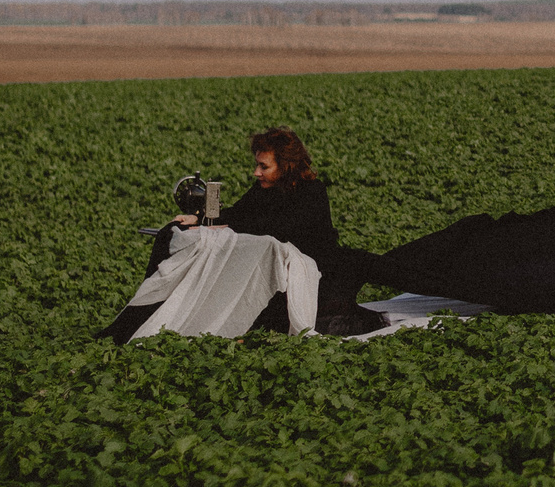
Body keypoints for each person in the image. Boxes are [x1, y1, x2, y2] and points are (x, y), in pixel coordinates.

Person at [137, 127, 387, 337]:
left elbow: (280, 230)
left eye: (263, 166)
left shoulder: (312, 192)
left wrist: (227, 231)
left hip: (321, 270)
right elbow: (237, 214)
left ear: (286, 166)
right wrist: (198, 219)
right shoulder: (264, 189)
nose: (256, 172)